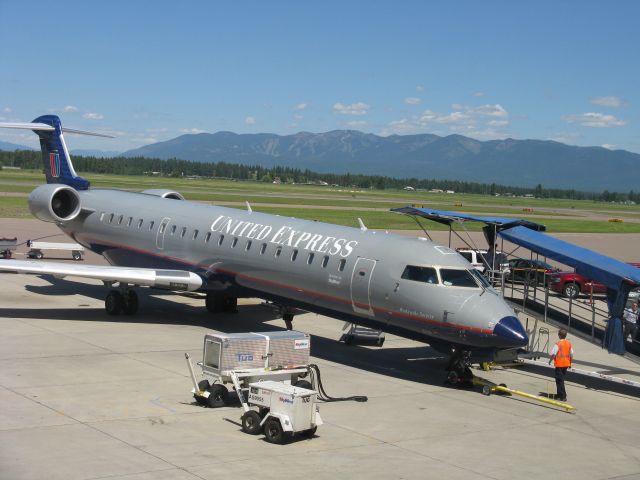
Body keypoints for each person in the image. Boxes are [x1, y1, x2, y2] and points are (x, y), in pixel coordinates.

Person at [548, 328, 573, 402]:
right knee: (560, 380)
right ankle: (559, 394)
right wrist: (570, 363)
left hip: (559, 365)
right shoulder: (568, 343)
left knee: (559, 380)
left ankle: (563, 396)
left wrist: (550, 361)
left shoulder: (558, 344)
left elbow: (553, 354)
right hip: (566, 365)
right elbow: (571, 354)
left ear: (559, 335)